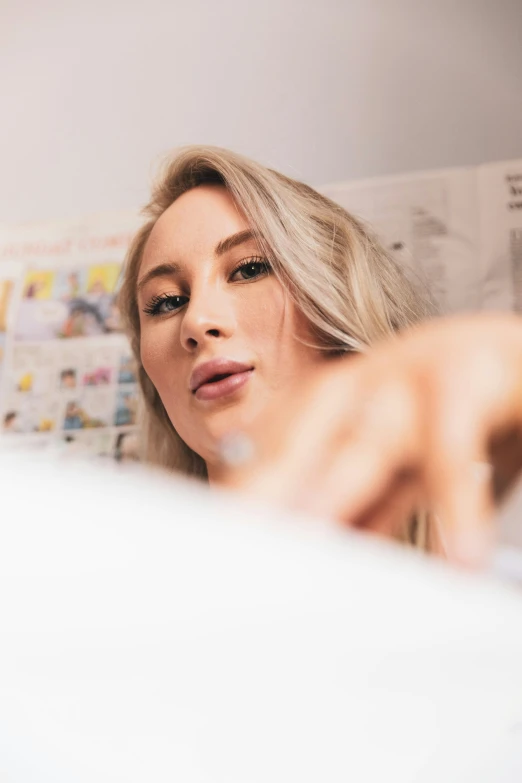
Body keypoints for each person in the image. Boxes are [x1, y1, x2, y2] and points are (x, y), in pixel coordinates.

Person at [119, 145, 522, 568]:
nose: (197, 321)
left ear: (336, 298)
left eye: (250, 269)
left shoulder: (492, 545)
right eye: (166, 302)